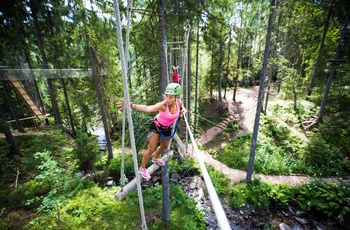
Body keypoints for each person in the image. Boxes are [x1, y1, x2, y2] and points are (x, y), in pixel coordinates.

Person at [116, 83, 187, 180]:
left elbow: (182, 106)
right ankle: (142, 168)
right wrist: (131, 106)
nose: (167, 99)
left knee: (165, 146)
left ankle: (156, 158)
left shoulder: (178, 103)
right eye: (166, 96)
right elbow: (148, 108)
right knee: (151, 148)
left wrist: (183, 110)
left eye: (171, 97)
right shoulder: (162, 105)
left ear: (176, 98)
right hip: (154, 126)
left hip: (167, 128)